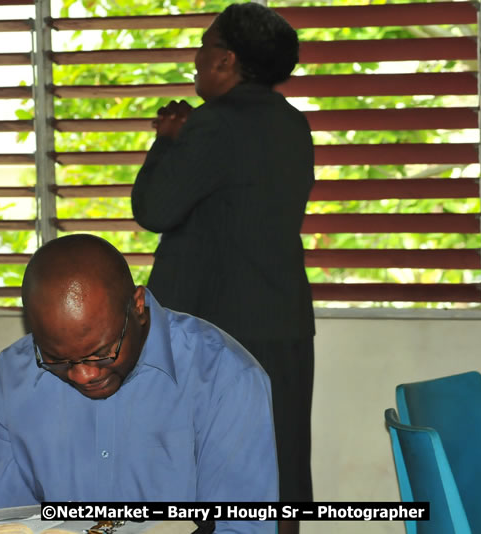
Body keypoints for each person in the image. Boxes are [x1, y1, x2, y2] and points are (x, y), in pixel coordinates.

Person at [131, 4, 315, 531]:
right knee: (280, 466)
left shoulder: (212, 124)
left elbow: (156, 210)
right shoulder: (291, 123)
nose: (196, 56)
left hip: (222, 331)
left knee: (222, 471)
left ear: (226, 60)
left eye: (205, 45)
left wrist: (166, 144)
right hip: (282, 323)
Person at [0, 234, 277, 534]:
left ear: (138, 307)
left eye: (102, 353)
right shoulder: (9, 382)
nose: (83, 375)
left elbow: (241, 525)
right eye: (57, 359)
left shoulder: (226, 378)